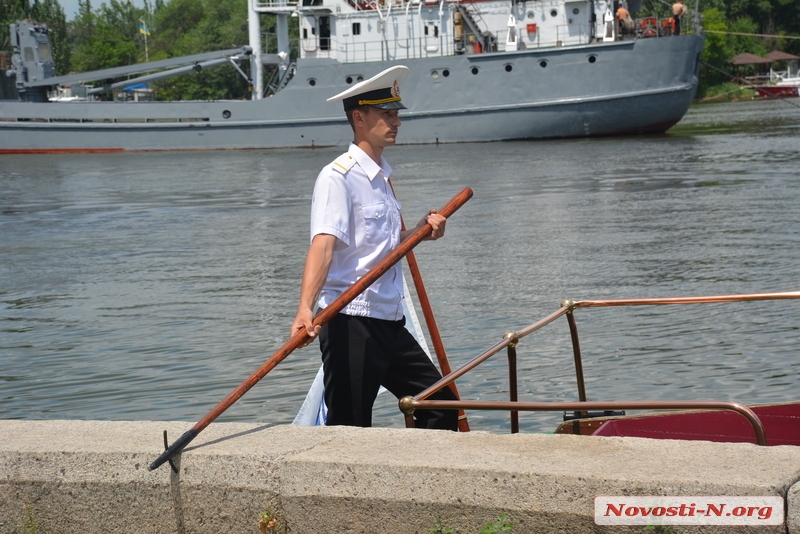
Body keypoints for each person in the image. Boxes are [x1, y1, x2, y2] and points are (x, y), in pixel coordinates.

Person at [291, 66, 459, 430]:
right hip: (351, 321)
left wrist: (417, 233)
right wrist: (305, 308)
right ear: (359, 117)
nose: (396, 121)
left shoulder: (381, 176)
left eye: (396, 114)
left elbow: (376, 246)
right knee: (349, 427)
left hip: (388, 321)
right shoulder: (339, 177)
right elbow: (324, 246)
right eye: (387, 114)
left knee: (441, 404)